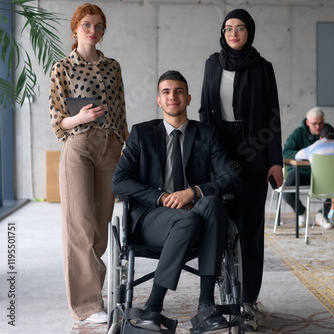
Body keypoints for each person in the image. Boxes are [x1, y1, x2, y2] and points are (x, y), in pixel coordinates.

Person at [112, 70, 242, 332]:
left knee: (212, 204)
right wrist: (160, 197)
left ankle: (206, 304)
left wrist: (193, 191)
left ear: (189, 98)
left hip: (200, 219)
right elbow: (119, 181)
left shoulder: (206, 134)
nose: (173, 96)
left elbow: (233, 178)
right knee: (189, 218)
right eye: (166, 92)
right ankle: (153, 306)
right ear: (159, 100)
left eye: (179, 91)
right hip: (153, 218)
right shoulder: (141, 134)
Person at [198, 8, 282, 331]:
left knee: (250, 227)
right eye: (228, 28)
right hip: (218, 148)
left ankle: (248, 300)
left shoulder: (262, 68)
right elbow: (206, 110)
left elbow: (272, 116)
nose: (233, 34)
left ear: (250, 33)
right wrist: (203, 153)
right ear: (223, 32)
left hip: (255, 150)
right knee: (218, 222)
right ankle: (218, 293)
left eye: (240, 28)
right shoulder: (212, 64)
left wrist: (276, 161)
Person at [48, 3, 128, 323]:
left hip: (110, 147)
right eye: (86, 25)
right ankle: (87, 306)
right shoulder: (62, 68)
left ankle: (95, 293)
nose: (93, 31)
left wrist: (128, 145)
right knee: (79, 226)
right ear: (75, 29)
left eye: (99, 26)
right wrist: (78, 117)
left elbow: (121, 112)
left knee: (99, 229)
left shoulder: (113, 67)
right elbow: (57, 121)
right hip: (78, 146)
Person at [283, 107, 334, 229]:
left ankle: (322, 215)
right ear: (307, 122)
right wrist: (306, 156)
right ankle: (301, 212)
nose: (318, 127)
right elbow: (286, 152)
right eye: (314, 124)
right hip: (301, 172)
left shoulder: (328, 130)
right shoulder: (298, 133)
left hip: (324, 174)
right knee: (287, 190)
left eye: (320, 123)